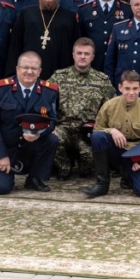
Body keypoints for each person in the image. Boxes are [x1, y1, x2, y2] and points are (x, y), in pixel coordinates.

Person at [0, 51, 59, 194]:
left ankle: (34, 178)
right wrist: (0, 155)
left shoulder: (50, 91)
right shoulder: (0, 89)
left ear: (39, 71)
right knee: (1, 189)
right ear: (17, 69)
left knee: (52, 139)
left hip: (30, 145)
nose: (29, 72)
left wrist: (39, 133)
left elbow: (52, 122)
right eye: (25, 67)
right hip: (5, 147)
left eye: (34, 69)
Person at [84, 69, 140, 198]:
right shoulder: (109, 106)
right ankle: (102, 184)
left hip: (135, 154)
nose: (131, 92)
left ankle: (127, 175)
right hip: (115, 150)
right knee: (98, 137)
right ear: (120, 87)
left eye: (135, 89)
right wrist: (112, 130)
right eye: (127, 88)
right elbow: (97, 129)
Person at [51, 38, 116, 179]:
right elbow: (44, 101)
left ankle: (85, 167)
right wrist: (51, 126)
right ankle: (64, 168)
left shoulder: (102, 80)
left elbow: (110, 110)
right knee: (51, 138)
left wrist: (101, 130)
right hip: (64, 127)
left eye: (86, 54)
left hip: (87, 130)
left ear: (92, 57)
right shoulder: (58, 77)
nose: (82, 57)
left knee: (90, 161)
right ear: (73, 55)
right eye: (79, 53)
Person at [6, 0, 80, 80]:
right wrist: (12, 76)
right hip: (29, 76)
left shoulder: (69, 17)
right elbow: (15, 47)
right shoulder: (26, 14)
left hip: (62, 78)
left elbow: (75, 50)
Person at [77, 0, 130, 71]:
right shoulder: (84, 10)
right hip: (92, 65)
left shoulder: (127, 10)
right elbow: (80, 38)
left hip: (118, 64)